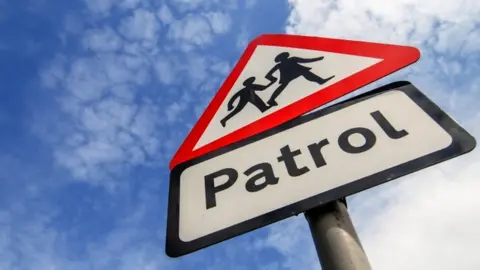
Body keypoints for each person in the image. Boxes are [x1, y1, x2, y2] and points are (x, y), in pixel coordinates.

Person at [264, 52, 335, 106]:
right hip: (288, 76)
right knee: (283, 85)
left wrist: (317, 59)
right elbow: (268, 75)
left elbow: (305, 60)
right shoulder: (279, 65)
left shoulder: (292, 59)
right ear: (280, 59)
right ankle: (271, 99)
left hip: (296, 72)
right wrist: (273, 79)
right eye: (282, 57)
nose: (284, 58)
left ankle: (320, 81)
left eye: (284, 56)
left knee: (304, 72)